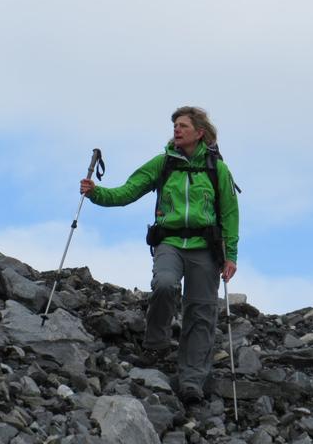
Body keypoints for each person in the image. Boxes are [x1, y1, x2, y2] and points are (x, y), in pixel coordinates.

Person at [80, 106, 239, 405]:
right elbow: (128, 191)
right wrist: (96, 193)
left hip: (205, 248)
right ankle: (155, 345)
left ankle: (192, 381)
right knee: (165, 284)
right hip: (170, 242)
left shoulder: (217, 169)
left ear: (199, 132)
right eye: (175, 125)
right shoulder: (163, 163)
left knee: (201, 312)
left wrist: (230, 255)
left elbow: (230, 214)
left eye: (183, 125)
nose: (176, 129)